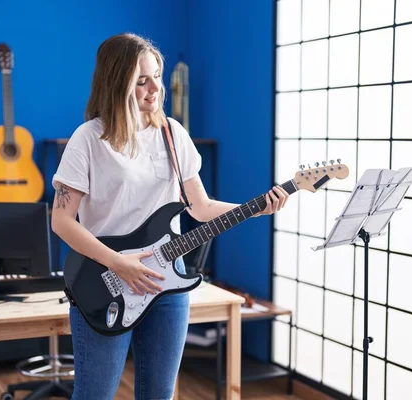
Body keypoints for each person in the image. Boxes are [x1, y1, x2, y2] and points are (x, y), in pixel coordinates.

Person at [50, 32, 289, 400]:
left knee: (160, 394)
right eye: (141, 80)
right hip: (105, 282)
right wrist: (119, 263)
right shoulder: (88, 140)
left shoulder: (172, 134)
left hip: (168, 286)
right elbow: (62, 221)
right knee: (94, 394)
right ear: (116, 83)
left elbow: (201, 207)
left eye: (157, 76)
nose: (155, 88)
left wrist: (256, 209)